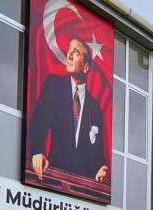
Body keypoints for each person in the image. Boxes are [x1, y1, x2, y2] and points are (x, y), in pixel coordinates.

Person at [29, 37, 108, 183]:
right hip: (53, 178)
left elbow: (96, 152)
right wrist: (38, 151)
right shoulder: (54, 85)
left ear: (86, 67)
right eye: (69, 49)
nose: (69, 54)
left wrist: (100, 168)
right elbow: (39, 124)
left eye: (76, 52)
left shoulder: (95, 109)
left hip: (82, 187)